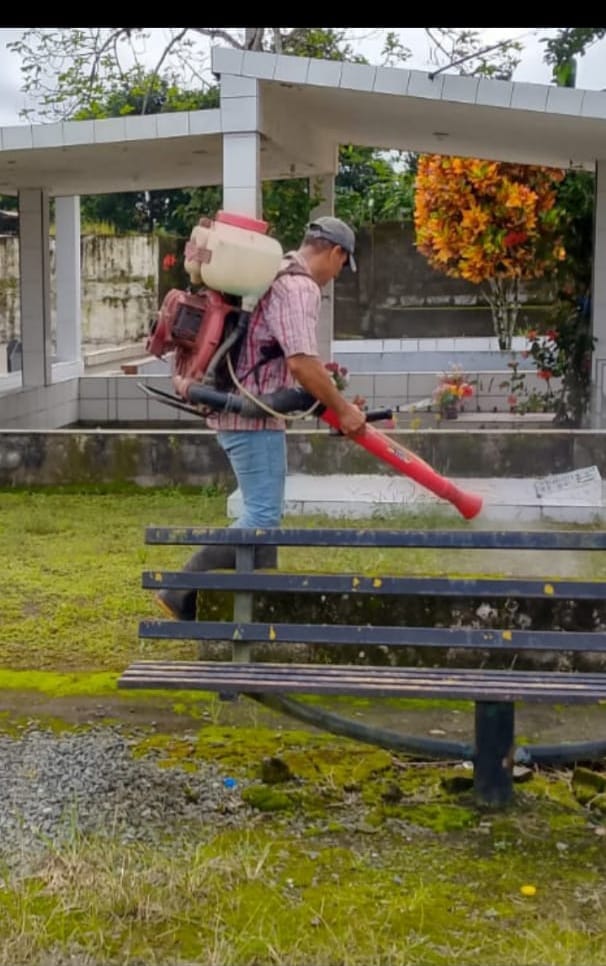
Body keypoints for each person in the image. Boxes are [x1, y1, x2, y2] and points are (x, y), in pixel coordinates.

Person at [157, 215, 366, 621]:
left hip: (240, 410)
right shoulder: (299, 286)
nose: (338, 274)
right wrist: (343, 410)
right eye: (343, 264)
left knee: (263, 516)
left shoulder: (274, 271)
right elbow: (301, 362)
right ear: (336, 252)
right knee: (262, 517)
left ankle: (256, 606)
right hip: (251, 418)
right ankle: (179, 589)